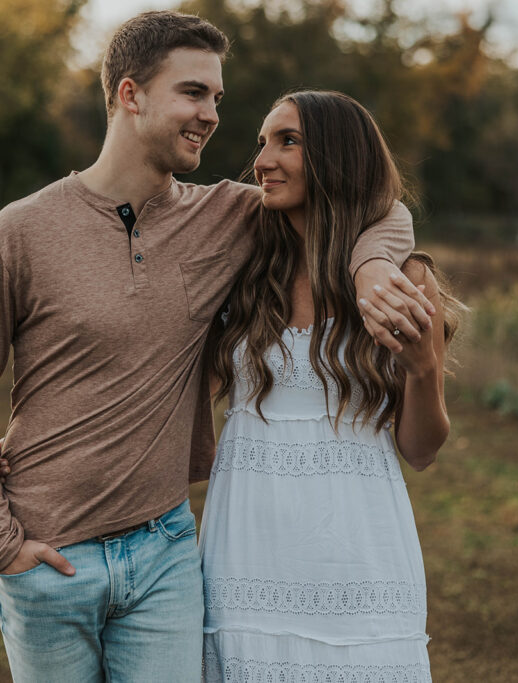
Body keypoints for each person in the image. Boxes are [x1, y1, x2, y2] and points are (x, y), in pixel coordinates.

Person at [0, 11, 431, 683]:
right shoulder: (20, 231)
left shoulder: (227, 216)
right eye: (194, 93)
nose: (211, 114)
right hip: (50, 562)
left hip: (166, 555)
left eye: (217, 99)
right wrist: (2, 543)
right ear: (130, 95)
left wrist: (371, 267)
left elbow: (374, 202)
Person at [198, 90, 464, 682]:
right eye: (262, 142)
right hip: (245, 545)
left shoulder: (402, 278)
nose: (262, 159)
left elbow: (421, 449)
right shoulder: (244, 269)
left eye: (287, 141)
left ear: (339, 158)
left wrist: (422, 370)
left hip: (357, 550)